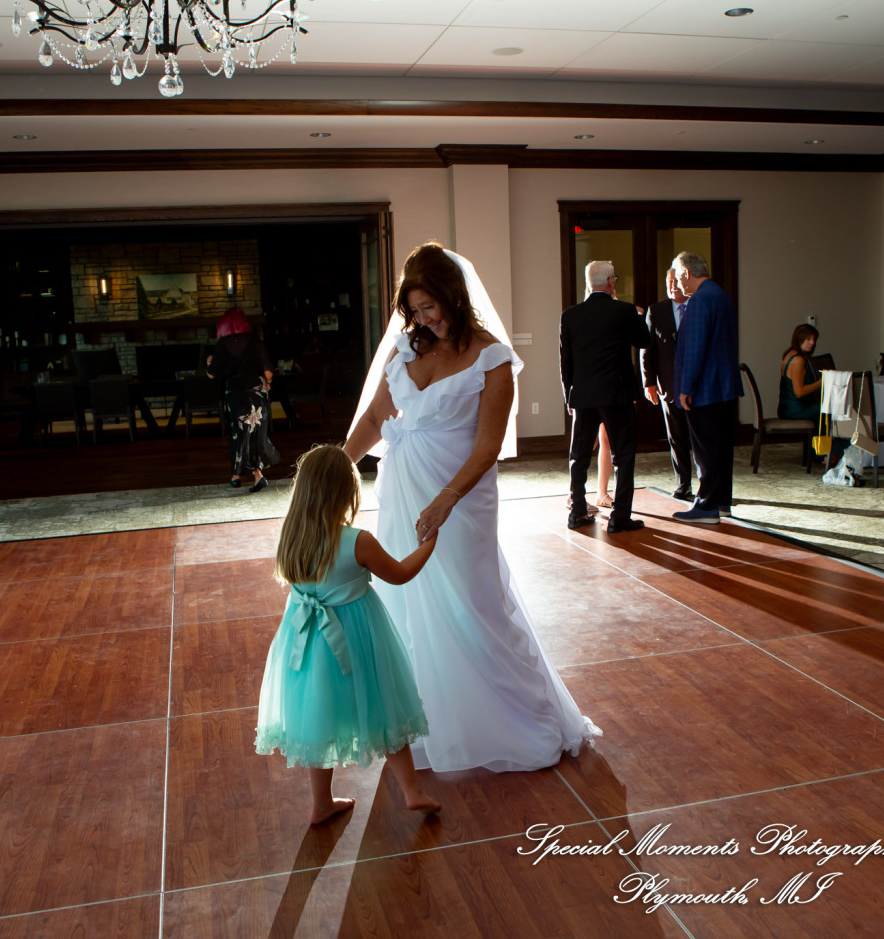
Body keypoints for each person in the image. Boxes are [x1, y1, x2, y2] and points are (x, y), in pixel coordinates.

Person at [345, 242, 598, 772]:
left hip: (460, 500)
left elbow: (487, 447)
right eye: (414, 310)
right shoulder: (406, 350)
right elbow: (373, 420)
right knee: (408, 604)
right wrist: (335, 468)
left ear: (453, 296)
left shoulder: (492, 358)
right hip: (403, 497)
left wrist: (446, 499)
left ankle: (507, 721)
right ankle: (426, 723)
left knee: (470, 603)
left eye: (429, 307)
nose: (423, 319)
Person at [255, 444, 440, 823]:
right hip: (357, 638)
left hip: (307, 643)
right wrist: (430, 544)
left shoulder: (291, 538)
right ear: (346, 493)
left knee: (318, 715)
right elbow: (401, 573)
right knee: (383, 705)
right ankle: (412, 791)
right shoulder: (357, 541)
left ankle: (321, 803)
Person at [560, 260, 650, 532]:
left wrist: (569, 396)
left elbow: (566, 362)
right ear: (611, 281)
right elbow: (644, 341)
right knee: (623, 455)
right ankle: (619, 518)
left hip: (583, 395)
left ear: (588, 283)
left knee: (578, 457)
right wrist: (638, 316)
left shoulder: (570, 316)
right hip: (617, 395)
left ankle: (577, 513)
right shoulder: (624, 311)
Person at [671, 251, 743, 525]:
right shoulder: (721, 295)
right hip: (724, 386)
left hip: (704, 389)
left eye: (679, 278)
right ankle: (722, 502)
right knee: (722, 447)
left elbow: (695, 347)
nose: (678, 284)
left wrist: (685, 387)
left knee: (706, 450)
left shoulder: (700, 300)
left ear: (687, 273)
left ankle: (706, 506)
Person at [206, 308, 279, 492]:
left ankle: (240, 475)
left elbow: (211, 374)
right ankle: (251, 474)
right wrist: (268, 383)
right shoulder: (255, 342)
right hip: (256, 392)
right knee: (255, 433)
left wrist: (209, 363)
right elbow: (268, 372)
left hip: (235, 394)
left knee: (239, 433)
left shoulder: (222, 345)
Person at [641, 267, 696, 501]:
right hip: (669, 386)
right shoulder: (657, 311)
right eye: (668, 282)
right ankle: (683, 483)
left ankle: (708, 484)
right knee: (676, 437)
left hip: (697, 386)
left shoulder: (698, 307)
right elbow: (647, 350)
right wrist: (649, 383)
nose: (672, 286)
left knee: (701, 438)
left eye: (675, 281)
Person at [778, 323, 823, 423]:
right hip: (796, 411)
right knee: (833, 408)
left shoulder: (789, 354)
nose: (812, 343)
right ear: (799, 339)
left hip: (786, 408)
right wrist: (821, 382)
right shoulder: (798, 360)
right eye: (808, 339)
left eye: (814, 339)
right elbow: (799, 392)